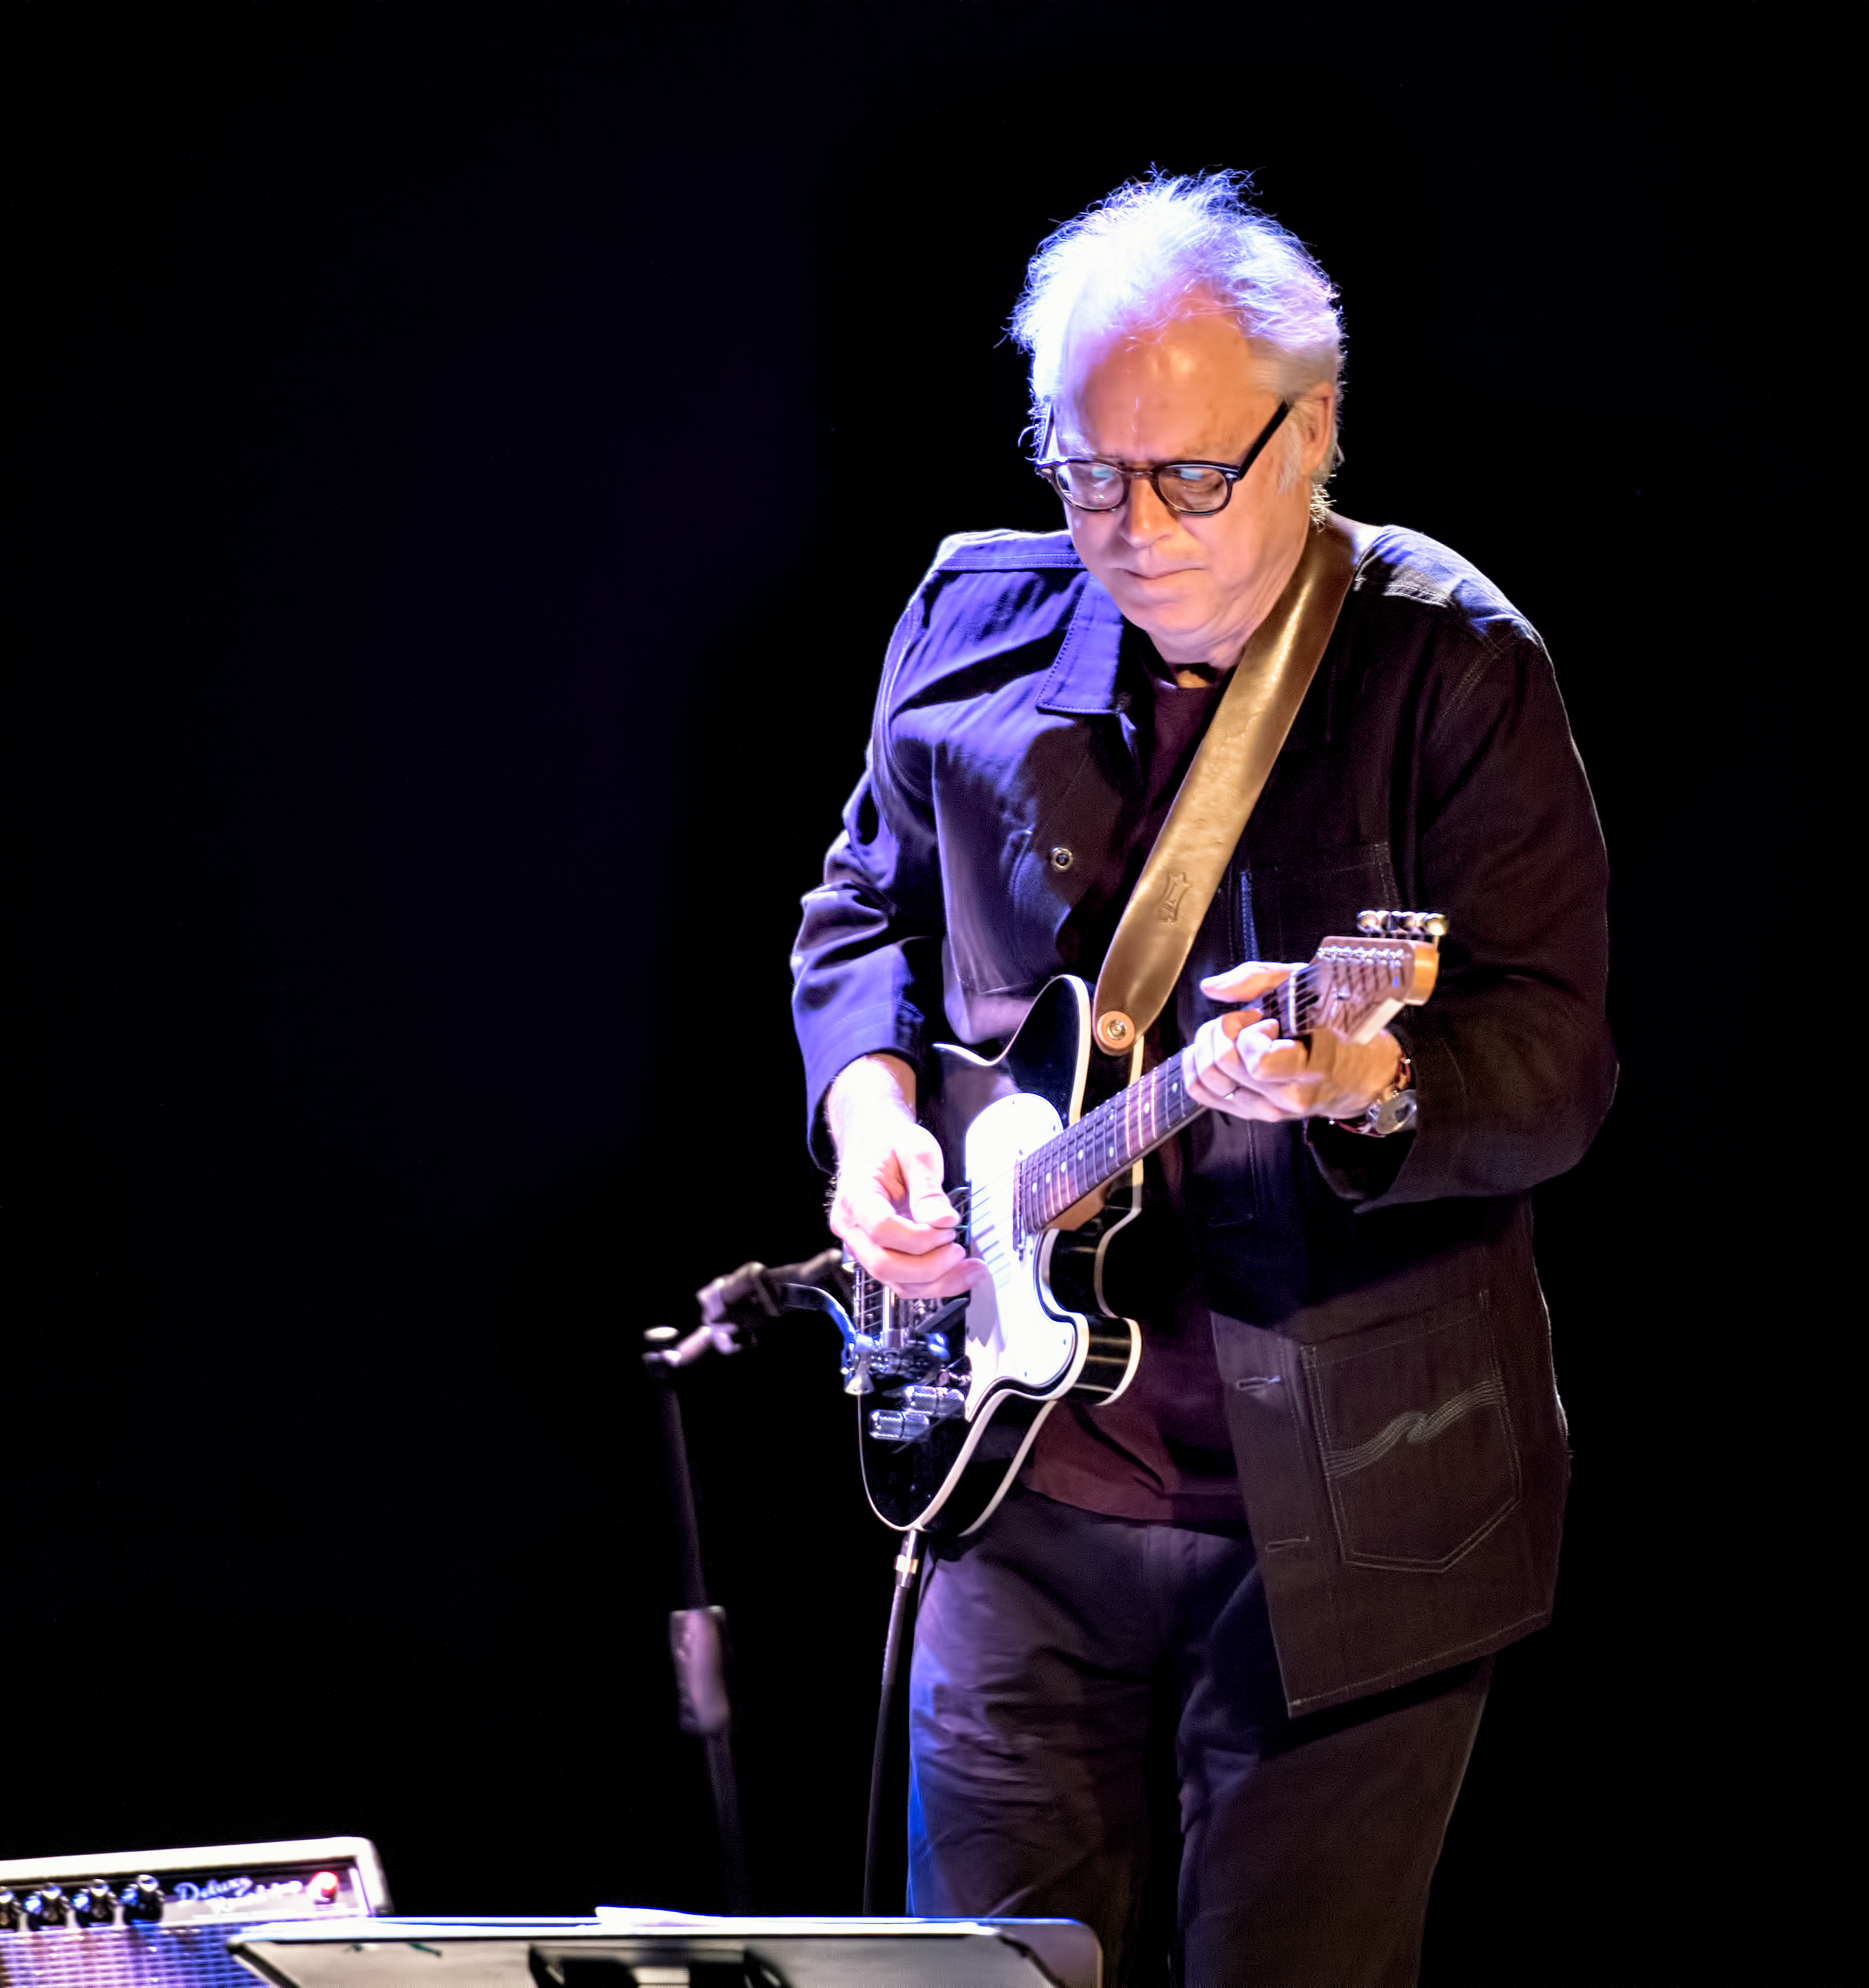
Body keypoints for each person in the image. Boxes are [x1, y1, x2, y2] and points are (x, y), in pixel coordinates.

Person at [788, 173, 1614, 1987]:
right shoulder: (966, 618)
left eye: (1190, 477)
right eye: (1085, 471)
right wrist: (869, 1128)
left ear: (1311, 428)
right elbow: (860, 907)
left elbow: (1553, 1064)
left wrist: (1361, 1084)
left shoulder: (1451, 664)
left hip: (1352, 1509)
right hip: (1019, 1482)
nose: (1131, 527)